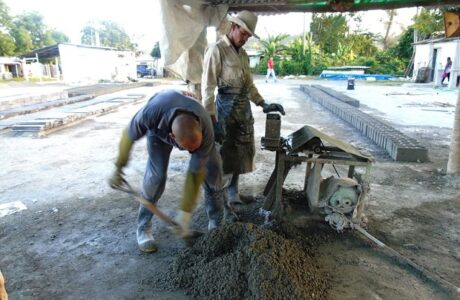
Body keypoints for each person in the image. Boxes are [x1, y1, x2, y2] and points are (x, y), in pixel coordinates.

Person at [109, 89, 224, 253]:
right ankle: (143, 227)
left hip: (188, 121)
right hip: (158, 130)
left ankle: (216, 223)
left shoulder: (205, 129)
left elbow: (194, 174)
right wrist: (118, 168)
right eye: (188, 149)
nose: (191, 153)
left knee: (213, 171)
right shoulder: (149, 114)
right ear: (172, 137)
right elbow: (128, 136)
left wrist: (184, 215)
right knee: (156, 177)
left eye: (194, 149)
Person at [201, 10, 285, 205]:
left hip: (243, 111)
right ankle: (220, 203)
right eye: (244, 33)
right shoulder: (216, 50)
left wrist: (263, 104)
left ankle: (233, 194)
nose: (246, 38)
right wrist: (211, 118)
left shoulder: (244, 55)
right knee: (224, 156)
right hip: (224, 110)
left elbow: (249, 86)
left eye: (249, 35)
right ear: (233, 27)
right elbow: (208, 88)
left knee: (240, 153)